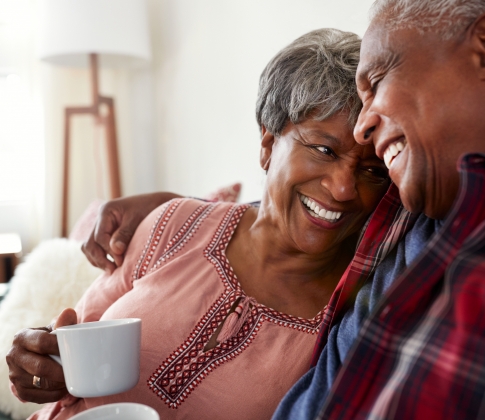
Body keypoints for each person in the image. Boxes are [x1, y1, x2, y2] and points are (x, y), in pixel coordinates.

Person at [81, 0, 485, 419]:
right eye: (324, 149)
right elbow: (275, 219)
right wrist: (169, 209)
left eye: (378, 80)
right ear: (267, 144)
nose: (364, 129)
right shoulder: (416, 226)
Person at [6, 29, 392, 420]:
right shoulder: (174, 223)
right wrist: (38, 364)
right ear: (268, 141)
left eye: (372, 170)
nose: (344, 188)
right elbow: (69, 344)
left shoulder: (353, 317)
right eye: (324, 150)